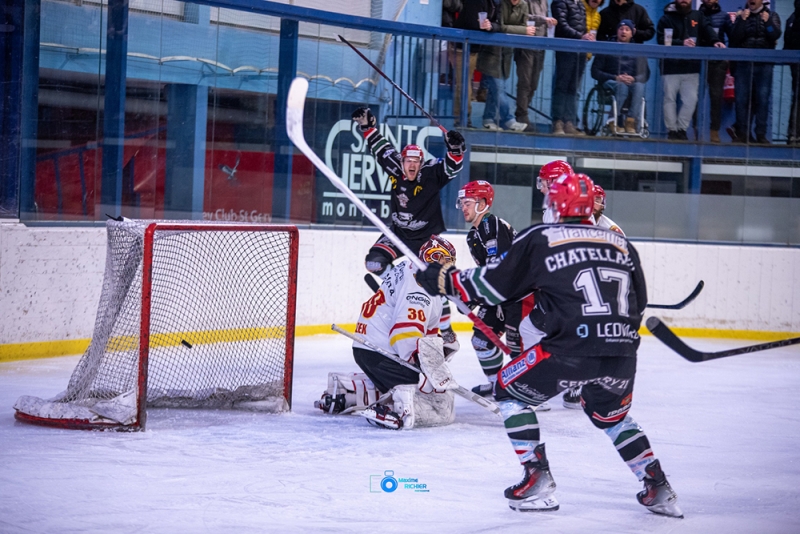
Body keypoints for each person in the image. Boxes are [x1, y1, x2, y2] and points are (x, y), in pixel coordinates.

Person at [416, 173, 682, 517]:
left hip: (569, 349)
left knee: (508, 390)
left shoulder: (542, 237)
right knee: (611, 416)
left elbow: (495, 285)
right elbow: (639, 303)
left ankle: (536, 478)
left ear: (555, 206)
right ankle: (658, 485)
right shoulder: (621, 243)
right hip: (622, 352)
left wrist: (443, 279)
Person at [316, 236, 460, 430]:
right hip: (382, 352)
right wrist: (426, 368)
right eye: (445, 263)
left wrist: (439, 347)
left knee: (417, 382)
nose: (448, 269)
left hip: (368, 348)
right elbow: (404, 334)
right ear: (433, 259)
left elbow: (423, 330)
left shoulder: (408, 267)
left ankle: (348, 392)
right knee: (433, 398)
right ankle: (400, 412)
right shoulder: (421, 288)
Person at [352, 107, 465, 336]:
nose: (411, 165)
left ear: (421, 163)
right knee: (374, 263)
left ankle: (445, 329)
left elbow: (452, 167)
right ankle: (397, 289)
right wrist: (367, 126)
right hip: (399, 234)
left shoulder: (431, 173)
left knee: (436, 280)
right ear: (401, 162)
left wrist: (455, 149)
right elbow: (380, 147)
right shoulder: (395, 168)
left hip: (426, 238)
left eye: (416, 161)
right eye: (407, 161)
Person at [456, 181, 526, 399]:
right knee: (481, 340)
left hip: (520, 295)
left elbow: (500, 270)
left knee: (517, 347)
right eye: (461, 203)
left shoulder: (492, 224)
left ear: (483, 203)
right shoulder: (473, 235)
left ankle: (525, 392)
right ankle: (498, 385)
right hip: (499, 294)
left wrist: (472, 296)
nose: (463, 207)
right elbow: (488, 273)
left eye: (468, 202)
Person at [657, 0, 724, 140]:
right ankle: (672, 131)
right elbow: (661, 39)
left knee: (691, 100)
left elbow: (708, 30)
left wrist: (715, 41)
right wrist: (681, 43)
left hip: (691, 67)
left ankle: (681, 129)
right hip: (670, 67)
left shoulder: (698, 16)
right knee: (669, 99)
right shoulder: (666, 18)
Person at [729, 0, 782, 144]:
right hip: (744, 65)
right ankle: (742, 133)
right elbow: (735, 37)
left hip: (764, 65)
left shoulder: (772, 15)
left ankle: (760, 134)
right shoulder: (741, 16)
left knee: (762, 100)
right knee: (741, 100)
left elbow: (774, 35)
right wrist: (742, 21)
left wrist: (768, 23)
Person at [477, 0, 534, 131]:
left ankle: (488, 119)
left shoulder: (524, 5)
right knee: (498, 88)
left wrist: (521, 29)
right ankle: (508, 119)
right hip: (491, 52)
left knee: (495, 90)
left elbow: (524, 25)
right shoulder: (501, 3)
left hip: (507, 53)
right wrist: (523, 30)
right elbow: (501, 26)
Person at [590, 19, 650, 135]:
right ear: (617, 31)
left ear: (632, 33)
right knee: (622, 87)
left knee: (639, 87)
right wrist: (615, 77)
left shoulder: (638, 50)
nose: (624, 32)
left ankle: (631, 121)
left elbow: (645, 74)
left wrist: (634, 79)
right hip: (611, 80)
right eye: (621, 29)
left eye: (627, 29)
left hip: (631, 81)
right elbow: (595, 71)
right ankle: (613, 120)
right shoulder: (606, 47)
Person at [551, 0, 591, 135]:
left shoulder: (580, 4)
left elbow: (583, 26)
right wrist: (580, 36)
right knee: (562, 86)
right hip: (566, 49)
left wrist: (586, 36)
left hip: (580, 51)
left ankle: (569, 122)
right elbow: (561, 25)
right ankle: (558, 122)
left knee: (573, 87)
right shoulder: (560, 2)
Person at [453, 0, 496, 127]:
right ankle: (462, 119)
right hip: (463, 46)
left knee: (465, 83)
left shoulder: (493, 3)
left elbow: (497, 22)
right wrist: (486, 26)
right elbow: (471, 22)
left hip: (475, 48)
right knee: (463, 84)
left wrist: (490, 25)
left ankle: (463, 118)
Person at [514, 0, 556, 127]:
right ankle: (522, 114)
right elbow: (525, 17)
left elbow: (546, 19)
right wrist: (544, 19)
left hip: (540, 46)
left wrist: (550, 24)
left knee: (534, 84)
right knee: (525, 82)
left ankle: (522, 110)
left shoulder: (544, 2)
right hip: (526, 45)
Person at [699, 0, 732, 143]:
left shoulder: (724, 16)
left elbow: (734, 35)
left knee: (716, 98)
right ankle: (696, 130)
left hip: (718, 63)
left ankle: (714, 132)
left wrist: (728, 57)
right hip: (698, 61)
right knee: (695, 98)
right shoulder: (695, 15)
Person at [787, 0, 800, 145]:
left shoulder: (792, 18)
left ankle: (794, 133)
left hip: (794, 64)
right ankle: (794, 133)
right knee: (798, 97)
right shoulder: (793, 18)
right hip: (796, 64)